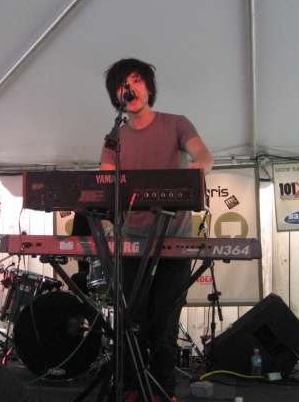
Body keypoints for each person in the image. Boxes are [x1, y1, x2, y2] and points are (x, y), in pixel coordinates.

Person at [99, 58, 213, 402]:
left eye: (135, 81)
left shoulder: (176, 123)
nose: (129, 89)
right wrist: (106, 222)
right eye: (123, 84)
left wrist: (197, 169)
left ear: (149, 88)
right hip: (131, 244)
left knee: (164, 327)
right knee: (130, 324)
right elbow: (105, 184)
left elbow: (204, 154)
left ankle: (163, 392)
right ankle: (133, 390)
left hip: (173, 242)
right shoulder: (114, 137)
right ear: (115, 95)